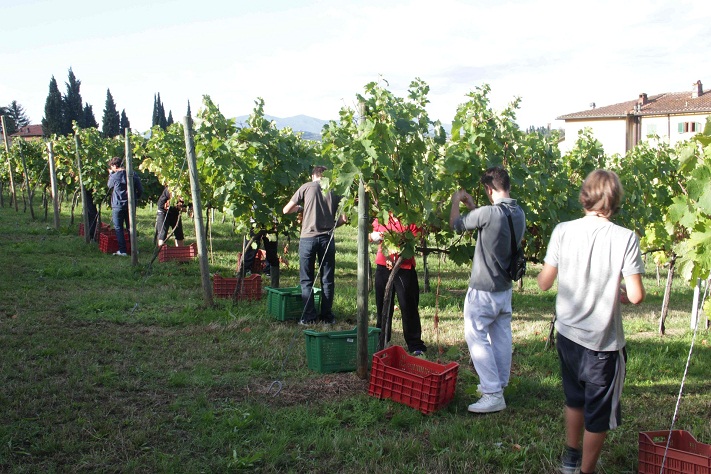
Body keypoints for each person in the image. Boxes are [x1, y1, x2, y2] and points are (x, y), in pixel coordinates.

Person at [537, 169, 645, 474]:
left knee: (574, 399)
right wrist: (621, 292)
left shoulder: (562, 230)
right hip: (602, 344)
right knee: (598, 412)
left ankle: (570, 458)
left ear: (585, 195)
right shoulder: (625, 238)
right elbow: (636, 296)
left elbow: (544, 282)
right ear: (615, 200)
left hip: (567, 335)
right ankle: (586, 471)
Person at [449, 166, 526, 414]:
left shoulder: (488, 213)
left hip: (483, 289)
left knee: (476, 336)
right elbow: (490, 226)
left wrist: (456, 201)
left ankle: (492, 393)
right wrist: (476, 209)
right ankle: (498, 385)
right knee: (501, 336)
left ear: (489, 189)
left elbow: (456, 225)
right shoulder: (518, 213)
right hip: (504, 290)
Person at [283, 166, 346, 324]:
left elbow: (286, 210)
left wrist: (300, 208)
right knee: (327, 279)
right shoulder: (335, 191)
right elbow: (344, 218)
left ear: (313, 175)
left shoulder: (305, 187)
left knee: (306, 280)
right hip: (327, 239)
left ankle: (309, 317)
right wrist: (332, 226)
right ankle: (326, 317)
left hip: (308, 239)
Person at [370, 215, 427, 355]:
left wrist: (393, 240)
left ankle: (415, 344)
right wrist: (373, 236)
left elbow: (415, 239)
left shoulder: (409, 216)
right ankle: (381, 341)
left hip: (404, 267)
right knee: (383, 307)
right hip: (383, 267)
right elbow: (369, 235)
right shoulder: (383, 215)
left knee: (408, 307)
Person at [107, 156, 143, 256]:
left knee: (119, 228)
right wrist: (136, 198)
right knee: (130, 227)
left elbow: (109, 186)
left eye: (112, 166)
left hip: (118, 205)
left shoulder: (114, 176)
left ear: (114, 166)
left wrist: (110, 174)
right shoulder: (133, 174)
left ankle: (122, 251)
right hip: (130, 205)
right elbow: (140, 189)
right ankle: (134, 249)